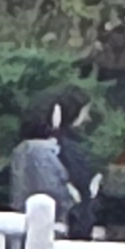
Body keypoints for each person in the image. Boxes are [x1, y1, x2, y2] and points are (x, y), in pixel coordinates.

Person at [52, 89, 101, 239]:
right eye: (84, 113)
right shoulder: (69, 147)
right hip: (74, 217)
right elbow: (81, 181)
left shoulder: (58, 143)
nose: (87, 118)